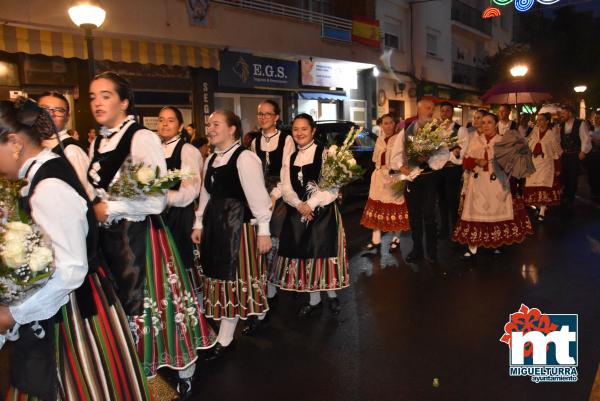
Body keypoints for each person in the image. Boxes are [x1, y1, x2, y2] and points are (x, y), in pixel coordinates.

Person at [0, 98, 151, 401]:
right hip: (66, 301)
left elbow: (70, 270)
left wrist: (15, 313)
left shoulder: (49, 185)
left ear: (14, 142)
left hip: (71, 311)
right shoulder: (37, 176)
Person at [88, 71, 215, 398]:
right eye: (92, 96)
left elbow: (157, 199)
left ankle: (184, 369)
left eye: (106, 95)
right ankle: (140, 372)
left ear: (124, 101)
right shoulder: (99, 139)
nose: (97, 102)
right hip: (110, 240)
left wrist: (111, 208)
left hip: (141, 238)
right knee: (125, 308)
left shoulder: (140, 138)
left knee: (157, 306)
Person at [191, 109, 272, 359]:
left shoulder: (245, 158)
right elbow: (206, 194)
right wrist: (199, 223)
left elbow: (259, 198)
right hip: (216, 226)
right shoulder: (211, 158)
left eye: (216, 124)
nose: (210, 129)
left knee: (233, 281)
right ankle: (232, 329)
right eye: (209, 125)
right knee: (219, 278)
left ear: (232, 129)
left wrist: (264, 231)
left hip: (237, 228)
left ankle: (226, 339)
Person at [273, 113, 349, 316]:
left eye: (304, 128)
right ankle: (314, 300)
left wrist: (312, 204)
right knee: (304, 256)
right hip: (297, 213)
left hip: (322, 213)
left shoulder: (325, 154)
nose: (299, 133)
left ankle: (331, 295)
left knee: (322, 253)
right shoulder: (290, 157)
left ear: (313, 130)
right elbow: (286, 187)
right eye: (296, 129)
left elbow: (333, 184)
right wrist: (299, 205)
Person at [453, 112, 533, 258]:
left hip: (497, 184)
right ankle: (473, 246)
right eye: (483, 123)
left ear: (496, 124)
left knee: (496, 214)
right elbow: (465, 162)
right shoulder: (474, 140)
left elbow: (513, 165)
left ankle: (496, 242)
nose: (486, 125)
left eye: (489, 122)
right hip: (477, 185)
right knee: (475, 214)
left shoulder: (503, 141)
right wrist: (476, 161)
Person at [245, 99, 294, 335]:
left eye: (268, 114)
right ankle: (265, 287)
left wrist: (273, 196)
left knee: (274, 241)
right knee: (257, 241)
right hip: (259, 191)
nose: (263, 117)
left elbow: (287, 171)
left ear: (277, 117)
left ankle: (272, 285)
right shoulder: (254, 141)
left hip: (280, 192)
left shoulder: (286, 139)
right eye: (260, 114)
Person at [157, 106, 204, 301]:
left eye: (171, 120)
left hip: (180, 215)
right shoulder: (154, 149)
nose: (165, 124)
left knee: (183, 261)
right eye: (161, 120)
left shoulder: (187, 150)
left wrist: (163, 197)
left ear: (180, 126)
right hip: (159, 216)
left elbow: (191, 189)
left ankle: (196, 311)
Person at [391, 98, 443, 264]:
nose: (430, 111)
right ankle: (417, 250)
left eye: (432, 109)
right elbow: (396, 155)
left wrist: (429, 159)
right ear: (418, 110)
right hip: (412, 179)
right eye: (428, 108)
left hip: (429, 178)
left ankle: (432, 251)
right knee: (414, 216)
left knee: (429, 215)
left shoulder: (437, 131)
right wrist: (402, 167)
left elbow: (444, 154)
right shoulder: (406, 130)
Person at [360, 113, 410, 253]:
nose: (387, 126)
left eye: (390, 123)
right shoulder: (379, 140)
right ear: (381, 125)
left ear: (395, 124)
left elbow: (404, 159)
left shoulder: (400, 139)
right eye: (385, 123)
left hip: (394, 177)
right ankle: (375, 240)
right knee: (377, 208)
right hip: (378, 177)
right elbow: (375, 159)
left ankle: (396, 239)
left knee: (394, 208)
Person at [38, 91, 94, 200]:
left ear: (67, 117)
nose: (51, 114)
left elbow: (87, 195)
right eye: (44, 109)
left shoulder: (71, 151)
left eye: (59, 110)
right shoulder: (33, 144)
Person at [437, 101, 471, 240]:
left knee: (452, 200)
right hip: (439, 169)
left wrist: (452, 154)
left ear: (452, 112)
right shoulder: (435, 129)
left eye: (447, 111)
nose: (445, 113)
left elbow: (463, 150)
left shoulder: (460, 129)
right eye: (442, 111)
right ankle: (444, 228)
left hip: (453, 169)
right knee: (441, 200)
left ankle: (456, 228)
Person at [523, 113, 563, 221]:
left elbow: (557, 152)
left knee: (544, 185)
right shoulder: (533, 132)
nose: (539, 122)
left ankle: (542, 210)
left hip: (546, 164)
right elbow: (526, 144)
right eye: (538, 120)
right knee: (534, 186)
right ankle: (540, 206)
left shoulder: (551, 134)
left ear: (547, 121)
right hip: (534, 163)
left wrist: (558, 167)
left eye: (541, 120)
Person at [558, 104, 592, 206]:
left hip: (574, 155)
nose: (562, 115)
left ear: (570, 113)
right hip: (564, 154)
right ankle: (564, 195)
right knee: (563, 176)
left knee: (572, 177)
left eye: (564, 113)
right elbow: (559, 140)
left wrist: (583, 151)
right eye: (561, 113)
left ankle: (570, 197)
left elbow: (585, 138)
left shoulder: (580, 123)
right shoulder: (561, 125)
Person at [588, 111, 600, 202]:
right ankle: (594, 191)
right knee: (592, 173)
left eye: (598, 118)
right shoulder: (590, 129)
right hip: (592, 155)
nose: (597, 120)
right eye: (595, 118)